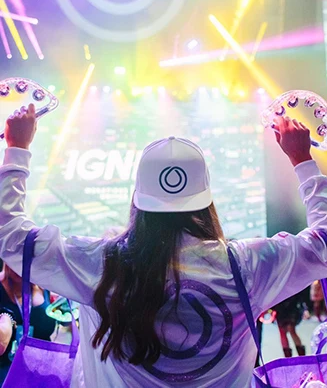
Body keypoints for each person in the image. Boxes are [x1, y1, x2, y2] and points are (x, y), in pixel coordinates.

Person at [0, 104, 325, 388]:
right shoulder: (246, 266)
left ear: (138, 198)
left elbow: (11, 235)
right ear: (206, 199)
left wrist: (17, 148)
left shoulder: (99, 263)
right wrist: (302, 160)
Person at [0, 262, 56, 385]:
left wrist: (38, 297)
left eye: (25, 262)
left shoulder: (42, 286)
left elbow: (47, 330)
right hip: (6, 367)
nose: (20, 268)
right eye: (16, 262)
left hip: (39, 365)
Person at [273, 292, 306, 357]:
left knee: (289, 331)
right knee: (286, 331)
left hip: (287, 305)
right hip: (285, 306)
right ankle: (297, 356)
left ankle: (298, 356)